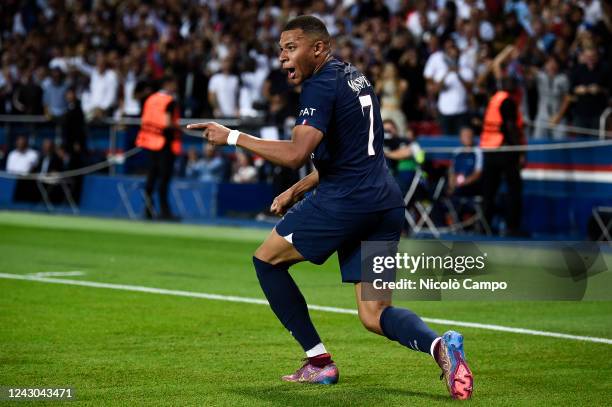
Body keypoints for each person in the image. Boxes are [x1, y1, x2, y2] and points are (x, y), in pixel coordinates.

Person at [188, 16, 473, 400]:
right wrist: (299, 188)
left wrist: (232, 136)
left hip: (346, 202)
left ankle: (319, 362)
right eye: (280, 50)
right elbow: (351, 155)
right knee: (374, 315)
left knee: (267, 261)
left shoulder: (320, 85)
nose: (283, 58)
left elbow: (294, 154)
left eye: (291, 48)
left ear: (318, 48)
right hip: (383, 203)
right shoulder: (356, 78)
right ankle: (442, 348)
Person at [480, 77, 525, 236]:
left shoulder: (494, 100)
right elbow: (511, 127)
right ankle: (512, 227)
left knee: (489, 191)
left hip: (490, 150)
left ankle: (484, 226)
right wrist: (520, 151)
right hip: (505, 149)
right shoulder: (508, 101)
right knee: (514, 189)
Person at [136, 76, 182, 220]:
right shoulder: (169, 101)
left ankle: (148, 209)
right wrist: (180, 127)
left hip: (150, 142)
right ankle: (165, 212)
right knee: (164, 179)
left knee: (151, 177)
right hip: (165, 143)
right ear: (168, 84)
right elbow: (167, 123)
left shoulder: (150, 99)